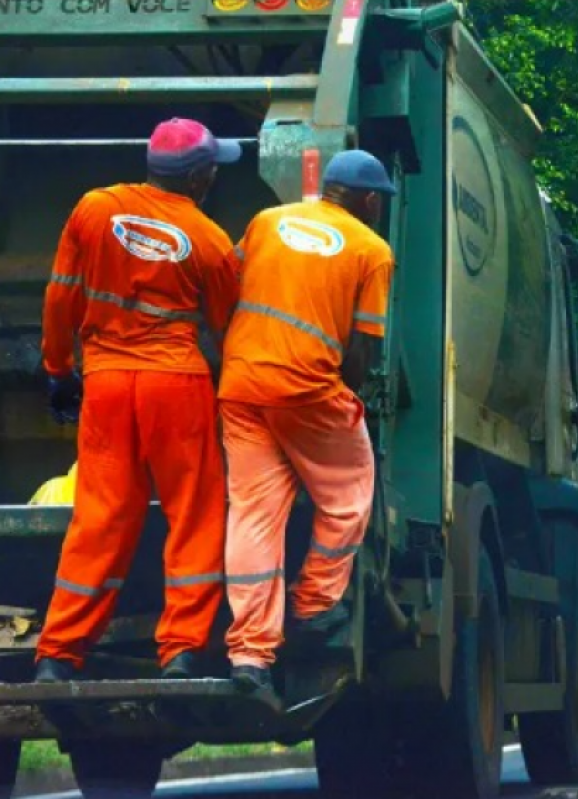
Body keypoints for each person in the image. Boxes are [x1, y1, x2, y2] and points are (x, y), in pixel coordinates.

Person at [35, 118, 243, 682]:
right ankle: (180, 650)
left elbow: (61, 298)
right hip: (176, 386)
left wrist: (58, 371)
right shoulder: (210, 240)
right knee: (195, 516)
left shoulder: (94, 209)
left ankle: (58, 654)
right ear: (199, 178)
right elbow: (228, 330)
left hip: (104, 384)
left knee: (99, 519)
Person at [218, 150, 397, 702]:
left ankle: (249, 655)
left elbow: (228, 286)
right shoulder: (372, 249)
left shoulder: (267, 221)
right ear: (369, 200)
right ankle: (315, 607)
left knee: (253, 515)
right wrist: (349, 394)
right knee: (348, 493)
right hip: (308, 391)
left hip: (242, 386)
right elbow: (363, 351)